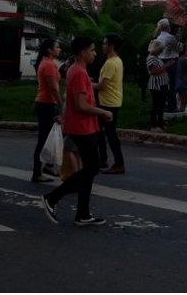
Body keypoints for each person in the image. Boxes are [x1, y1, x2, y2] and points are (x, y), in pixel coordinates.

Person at [40, 37, 113, 226]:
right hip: (82, 127)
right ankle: (53, 198)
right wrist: (103, 111)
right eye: (92, 49)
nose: (95, 53)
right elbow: (81, 105)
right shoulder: (79, 72)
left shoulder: (75, 70)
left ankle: (83, 213)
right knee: (92, 167)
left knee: (90, 168)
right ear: (82, 52)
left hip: (82, 126)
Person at [31, 38, 63, 183]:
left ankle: (48, 165)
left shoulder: (47, 63)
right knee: (43, 138)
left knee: (49, 136)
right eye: (57, 47)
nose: (59, 49)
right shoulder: (48, 65)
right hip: (46, 104)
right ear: (49, 50)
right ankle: (37, 172)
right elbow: (53, 89)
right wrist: (61, 105)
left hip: (46, 103)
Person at [96, 34, 126, 175]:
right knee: (101, 132)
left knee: (109, 134)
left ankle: (118, 162)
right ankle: (103, 159)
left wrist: (86, 84)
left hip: (107, 103)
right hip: (112, 101)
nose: (102, 46)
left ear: (111, 46)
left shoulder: (110, 63)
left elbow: (102, 85)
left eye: (104, 44)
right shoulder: (117, 60)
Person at [154, 18, 180, 113]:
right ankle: (172, 106)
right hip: (171, 62)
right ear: (167, 27)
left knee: (163, 85)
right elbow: (178, 49)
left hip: (161, 61)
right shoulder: (171, 38)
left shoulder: (158, 38)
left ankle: (163, 105)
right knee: (172, 85)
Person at [146, 40, 170, 132]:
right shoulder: (151, 58)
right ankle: (154, 124)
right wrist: (166, 66)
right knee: (156, 105)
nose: (161, 51)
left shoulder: (156, 58)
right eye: (160, 49)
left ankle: (160, 123)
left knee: (161, 105)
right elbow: (154, 71)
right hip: (156, 85)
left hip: (162, 84)